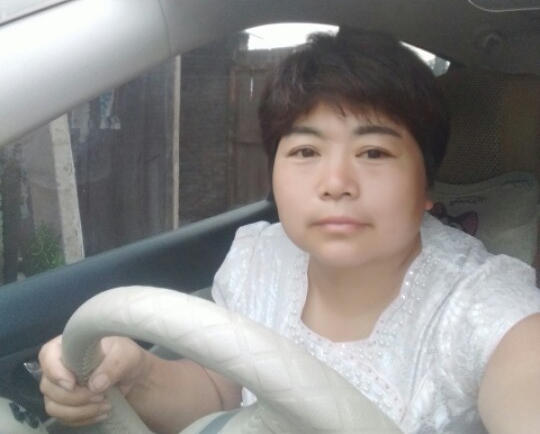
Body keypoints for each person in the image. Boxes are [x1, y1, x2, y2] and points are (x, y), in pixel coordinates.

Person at [39, 29, 540, 433]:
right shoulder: (257, 259)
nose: (336, 182)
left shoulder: (482, 308)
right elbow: (220, 392)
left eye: (374, 152)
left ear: (427, 185)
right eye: (305, 151)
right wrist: (136, 377)